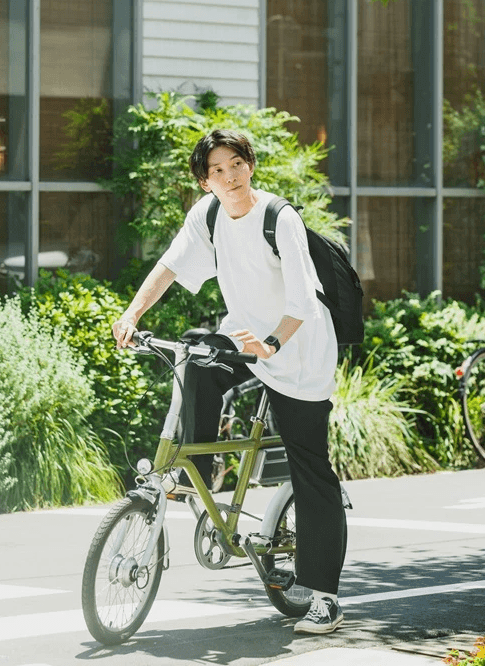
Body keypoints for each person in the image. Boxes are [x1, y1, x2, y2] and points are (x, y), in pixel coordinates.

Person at [111, 128, 347, 635]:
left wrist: (273, 345)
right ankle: (203, 466)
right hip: (244, 337)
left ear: (250, 165)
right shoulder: (210, 213)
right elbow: (170, 266)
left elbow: (305, 300)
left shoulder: (277, 217)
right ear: (204, 182)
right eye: (217, 170)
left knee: (310, 469)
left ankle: (324, 596)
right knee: (197, 354)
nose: (229, 176)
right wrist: (131, 314)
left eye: (236, 164)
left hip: (299, 352)